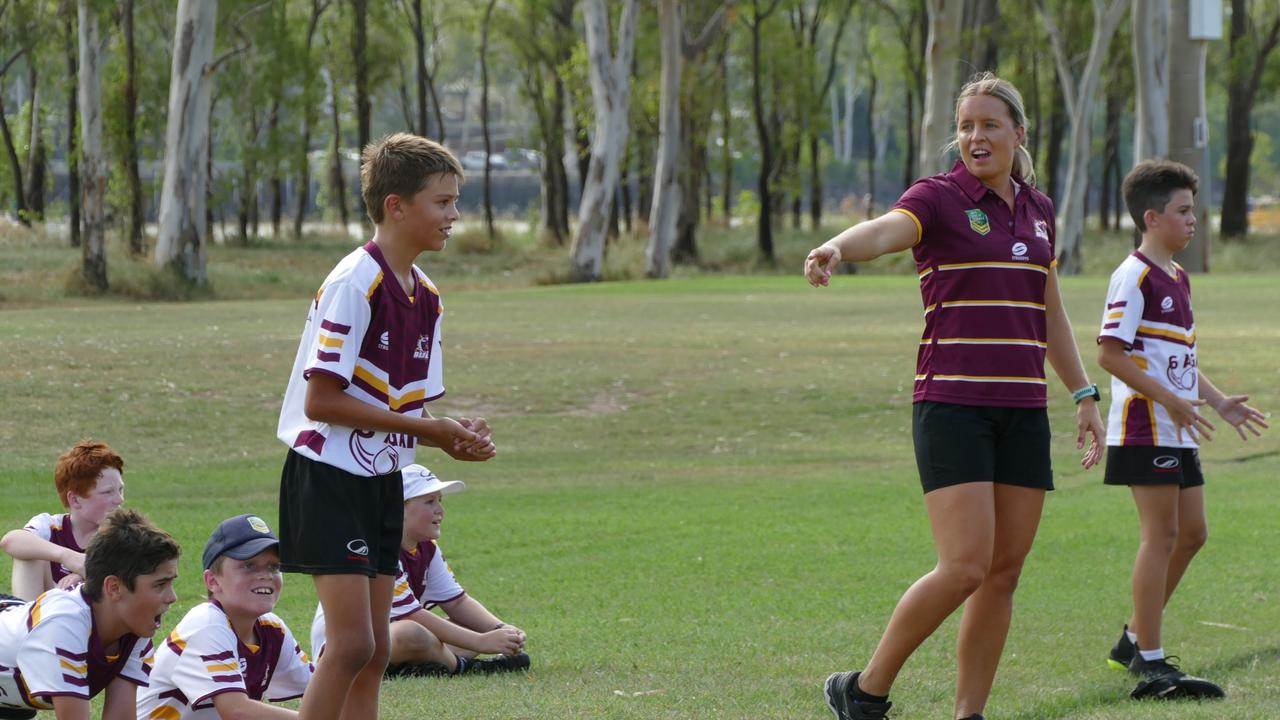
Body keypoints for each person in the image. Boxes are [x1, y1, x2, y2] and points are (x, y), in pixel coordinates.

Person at [804, 72, 1105, 720]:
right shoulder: (938, 199)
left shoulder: (1040, 210)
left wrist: (1083, 392)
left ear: (1019, 133)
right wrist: (835, 246)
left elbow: (1047, 309)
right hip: (953, 406)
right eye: (966, 125)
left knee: (1003, 573)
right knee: (966, 566)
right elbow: (885, 230)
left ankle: (970, 714)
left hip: (1023, 412)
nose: (975, 137)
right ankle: (863, 691)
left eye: (989, 124)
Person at [275, 132, 496, 720]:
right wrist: (434, 431)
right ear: (396, 206)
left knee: (372, 652)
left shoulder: (426, 297)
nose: (454, 215)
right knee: (349, 646)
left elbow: (408, 410)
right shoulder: (355, 281)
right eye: (443, 202)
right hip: (328, 477)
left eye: (455, 201)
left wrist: (455, 434)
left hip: (381, 481)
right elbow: (320, 401)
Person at [1097, 159, 1268, 700]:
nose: (1194, 220)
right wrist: (1172, 400)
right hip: (1146, 425)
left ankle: (1131, 639)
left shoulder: (1178, 276)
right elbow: (1109, 354)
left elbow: (1181, 359)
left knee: (1193, 535)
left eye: (1195, 210)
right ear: (1152, 217)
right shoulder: (1134, 275)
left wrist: (1216, 402)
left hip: (1178, 426)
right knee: (1162, 536)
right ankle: (1150, 661)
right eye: (1184, 210)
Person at [310, 465, 528, 677]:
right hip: (343, 650)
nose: (440, 510)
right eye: (429, 501)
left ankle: (412, 668)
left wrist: (501, 629)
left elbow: (457, 602)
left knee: (468, 626)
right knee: (412, 633)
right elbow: (413, 615)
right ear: (397, 508)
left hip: (389, 639)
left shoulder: (427, 547)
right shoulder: (376, 549)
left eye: (440, 500)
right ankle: (466, 667)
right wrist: (482, 642)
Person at [0, 508, 179, 720]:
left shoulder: (132, 629)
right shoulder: (64, 624)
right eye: (160, 585)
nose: (172, 597)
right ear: (113, 587)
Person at [137, 514, 314, 719]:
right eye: (248, 566)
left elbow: (318, 690)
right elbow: (237, 711)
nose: (265, 575)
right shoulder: (207, 624)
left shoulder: (272, 629)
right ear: (212, 581)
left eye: (274, 566)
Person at [1, 441, 126, 600]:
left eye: (120, 489)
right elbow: (10, 540)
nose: (119, 499)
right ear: (75, 500)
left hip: (93, 622)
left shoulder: (123, 532)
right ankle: (29, 622)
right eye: (107, 492)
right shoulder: (51, 526)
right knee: (30, 553)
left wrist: (84, 574)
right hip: (46, 616)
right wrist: (68, 557)